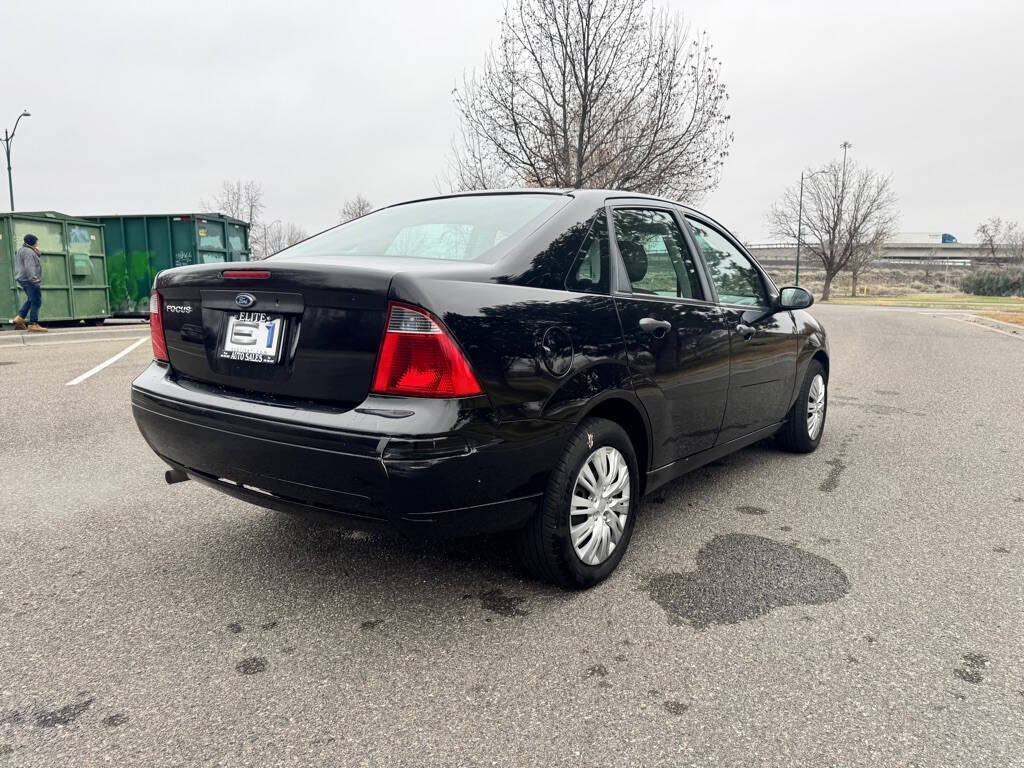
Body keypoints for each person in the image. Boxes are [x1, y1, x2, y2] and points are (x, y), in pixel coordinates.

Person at [13, 233, 46, 332]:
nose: (37, 243)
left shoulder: (22, 250)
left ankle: (19, 318)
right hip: (29, 279)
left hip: (23, 278)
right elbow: (29, 267)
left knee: (31, 299)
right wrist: (34, 280)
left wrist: (37, 253)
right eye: (36, 241)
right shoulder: (29, 252)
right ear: (33, 242)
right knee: (36, 300)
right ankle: (33, 324)